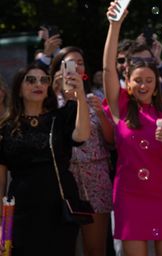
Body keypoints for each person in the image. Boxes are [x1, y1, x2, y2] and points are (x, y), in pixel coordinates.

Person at [103, 2, 162, 256]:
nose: (144, 85)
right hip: (129, 195)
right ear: (128, 83)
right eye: (138, 80)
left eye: (149, 80)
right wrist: (115, 26)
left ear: (157, 85)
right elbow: (107, 70)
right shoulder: (121, 107)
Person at [0, 63, 90, 254]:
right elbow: (0, 178)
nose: (38, 84)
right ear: (18, 90)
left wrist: (80, 95)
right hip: (22, 207)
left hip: (59, 206)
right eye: (30, 80)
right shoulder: (6, 128)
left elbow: (81, 136)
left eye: (44, 80)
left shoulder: (60, 117)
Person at [51, 46, 114, 256]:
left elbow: (111, 141)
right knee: (62, 244)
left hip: (96, 177)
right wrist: (55, 92)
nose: (76, 67)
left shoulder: (95, 97)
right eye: (70, 63)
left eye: (80, 62)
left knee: (95, 248)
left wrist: (101, 114)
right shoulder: (50, 100)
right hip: (63, 179)